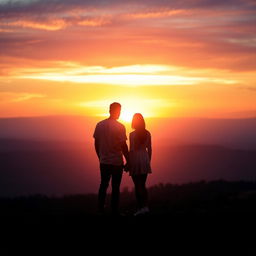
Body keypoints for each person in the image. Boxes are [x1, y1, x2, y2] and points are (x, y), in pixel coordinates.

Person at [93, 102, 129, 216]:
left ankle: (100, 209)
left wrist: (100, 157)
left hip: (104, 161)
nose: (119, 113)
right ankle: (114, 211)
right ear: (114, 111)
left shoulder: (99, 125)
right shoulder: (120, 127)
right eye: (119, 111)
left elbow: (96, 143)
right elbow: (124, 146)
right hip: (117, 162)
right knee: (115, 187)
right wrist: (128, 160)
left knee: (103, 185)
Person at [128, 113, 152, 216]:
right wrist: (148, 160)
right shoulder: (148, 133)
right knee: (143, 185)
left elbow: (131, 150)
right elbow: (150, 149)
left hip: (135, 159)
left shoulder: (132, 134)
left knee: (137, 185)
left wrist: (128, 163)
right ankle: (145, 207)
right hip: (144, 158)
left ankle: (140, 208)